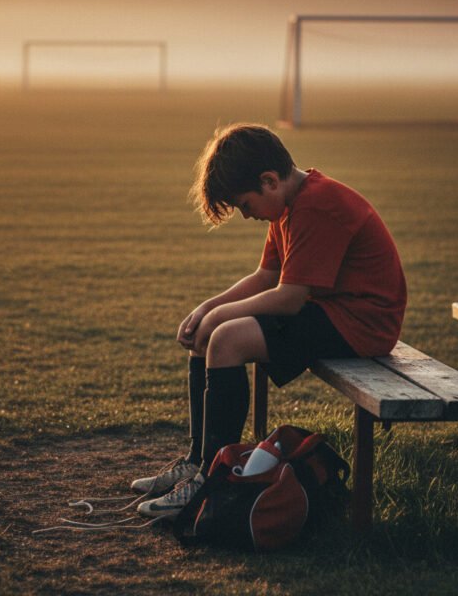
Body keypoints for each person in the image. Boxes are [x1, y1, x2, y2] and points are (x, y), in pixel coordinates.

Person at [134, 123, 407, 518]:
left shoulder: (316, 204)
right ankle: (199, 461)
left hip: (363, 323)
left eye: (245, 205)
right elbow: (265, 277)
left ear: (270, 181)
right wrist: (207, 309)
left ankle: (213, 483)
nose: (246, 216)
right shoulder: (290, 202)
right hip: (333, 311)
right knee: (209, 333)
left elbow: (290, 298)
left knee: (226, 339)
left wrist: (219, 316)